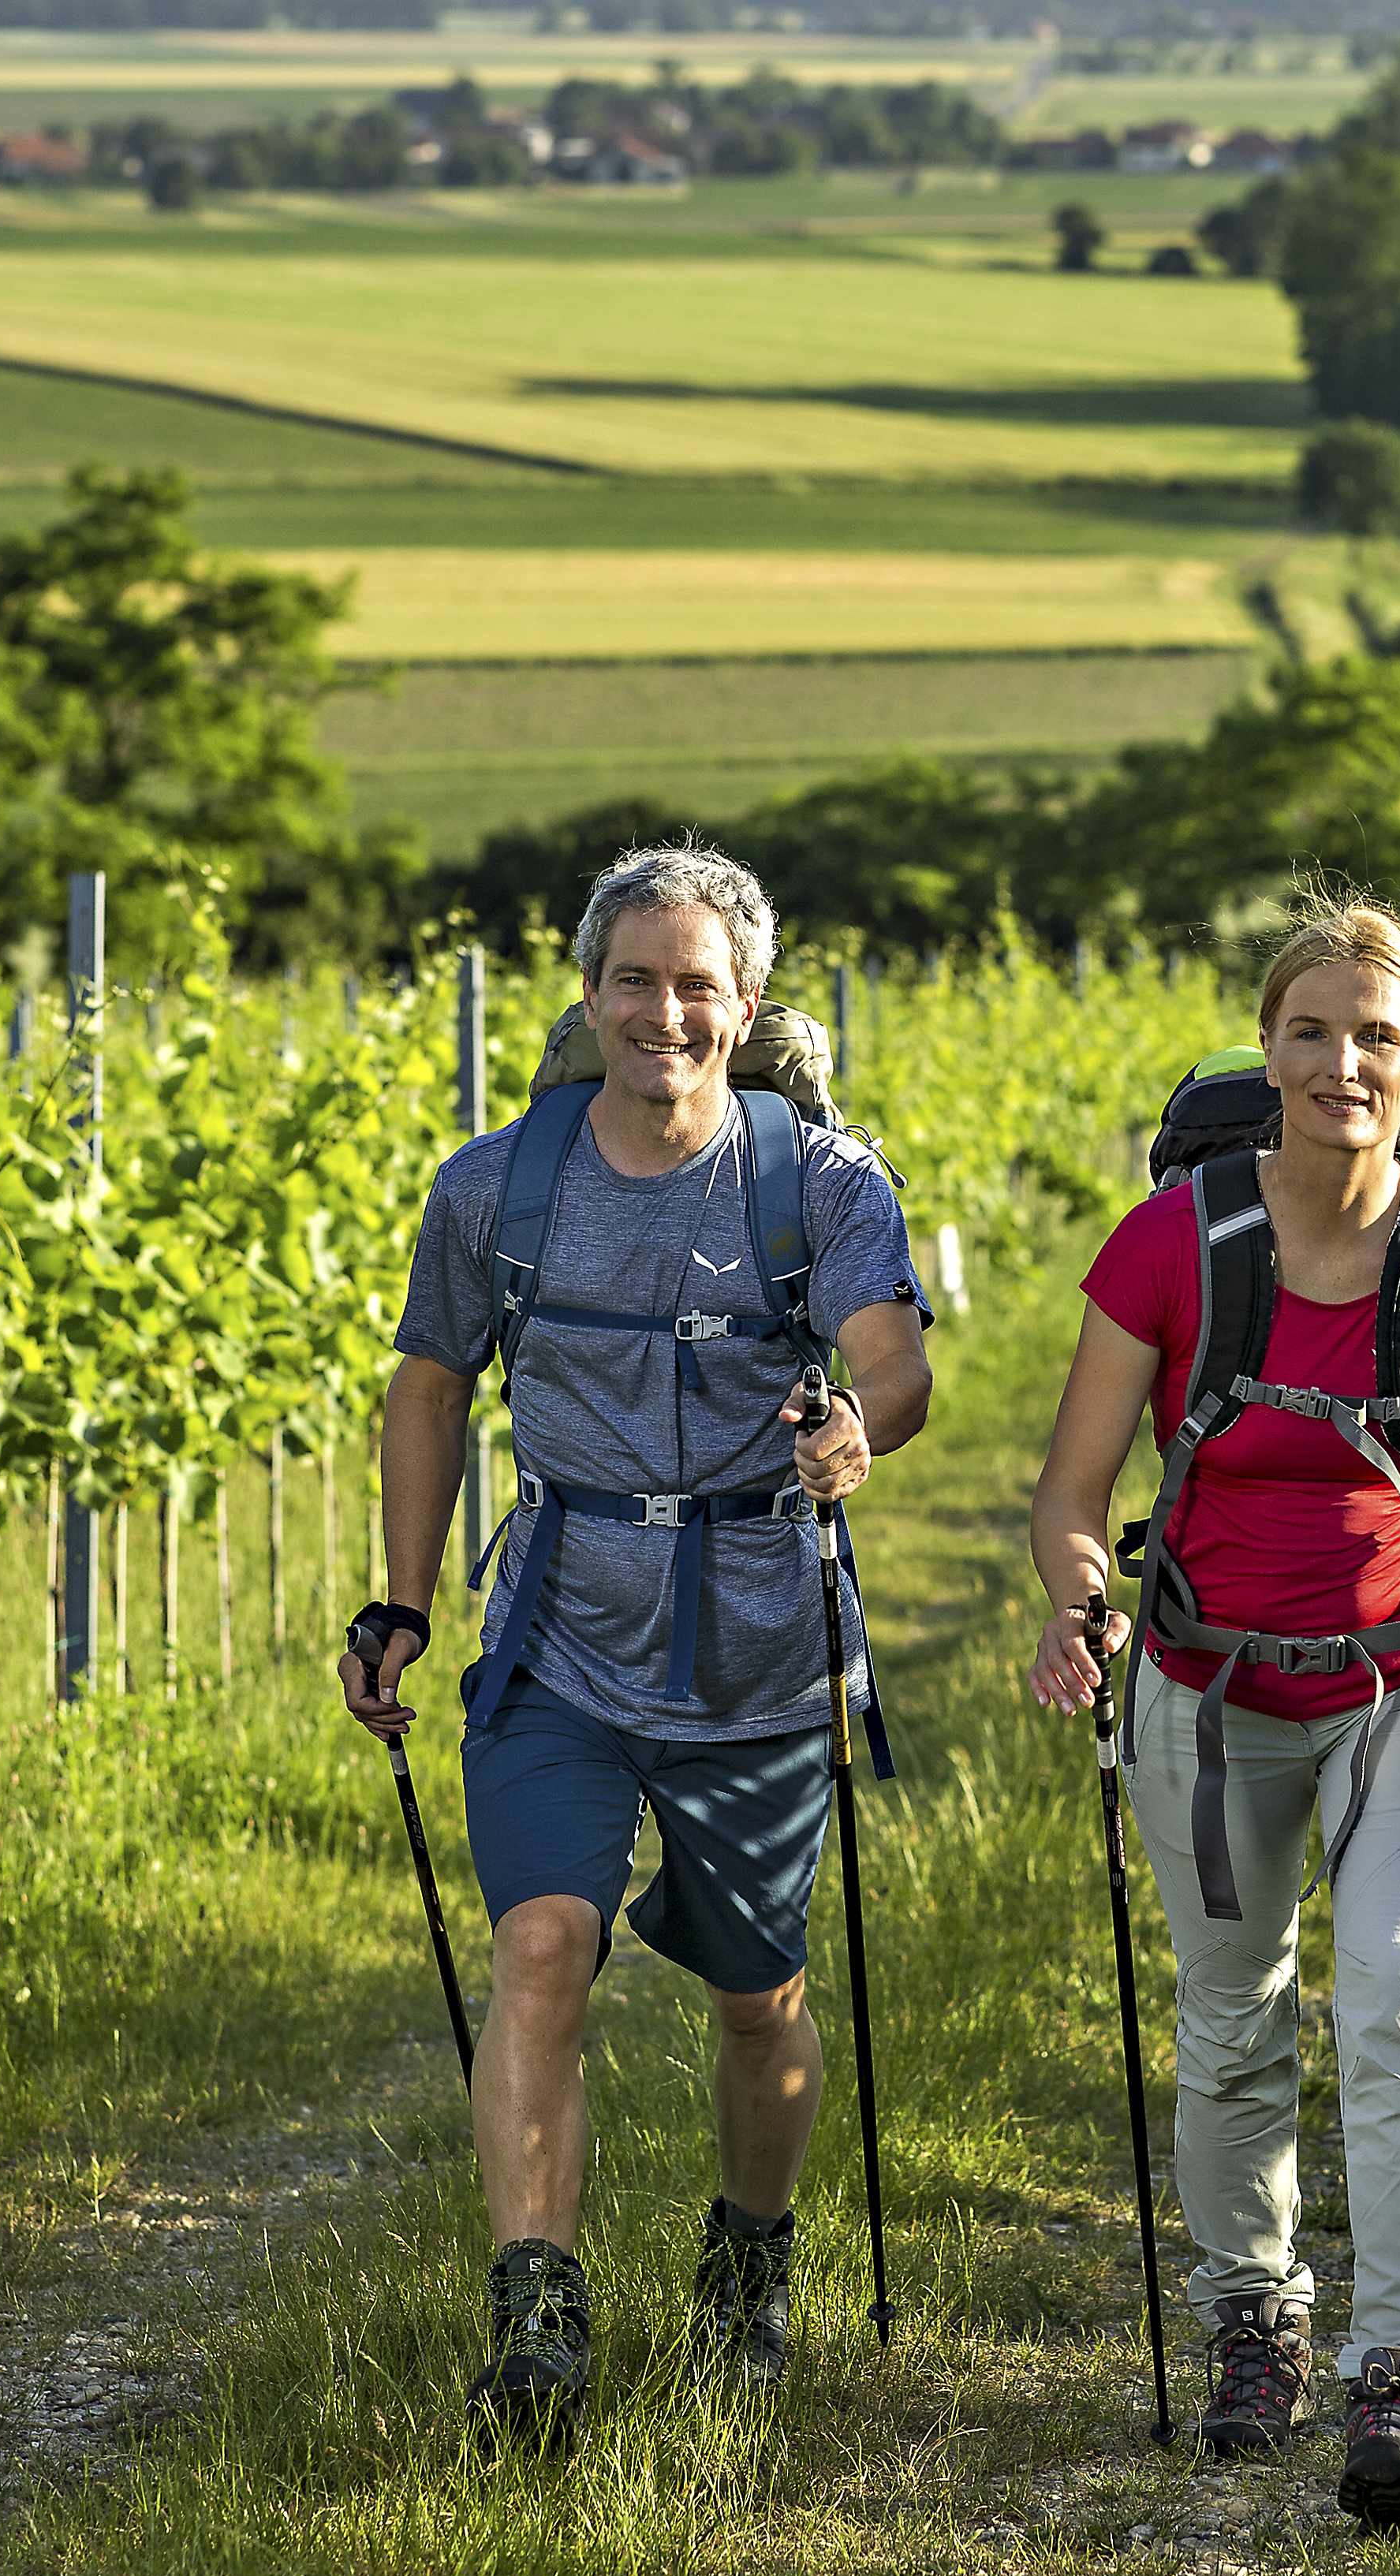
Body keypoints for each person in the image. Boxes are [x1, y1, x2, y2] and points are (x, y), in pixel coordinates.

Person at [1025, 899, 1400, 2534]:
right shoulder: (1169, 1246)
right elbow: (1073, 1486)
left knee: (1397, 1991)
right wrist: (1081, 1602)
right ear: (1269, 1048)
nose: (1341, 1061)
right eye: (1310, 1030)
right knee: (1232, 2013)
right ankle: (1252, 2314)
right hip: (1206, 1689)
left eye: (1375, 1034)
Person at [341, 846, 931, 2446]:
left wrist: (856, 1425)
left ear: (747, 1002)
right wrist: (404, 1602)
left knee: (756, 1993)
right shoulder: (493, 1189)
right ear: (591, 992)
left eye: (697, 985)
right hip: (559, 1638)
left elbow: (892, 1362)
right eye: (634, 980)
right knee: (542, 1943)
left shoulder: (824, 1182)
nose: (665, 1012)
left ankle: (749, 2256)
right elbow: (429, 1386)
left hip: (759, 1648)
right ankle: (536, 2311)